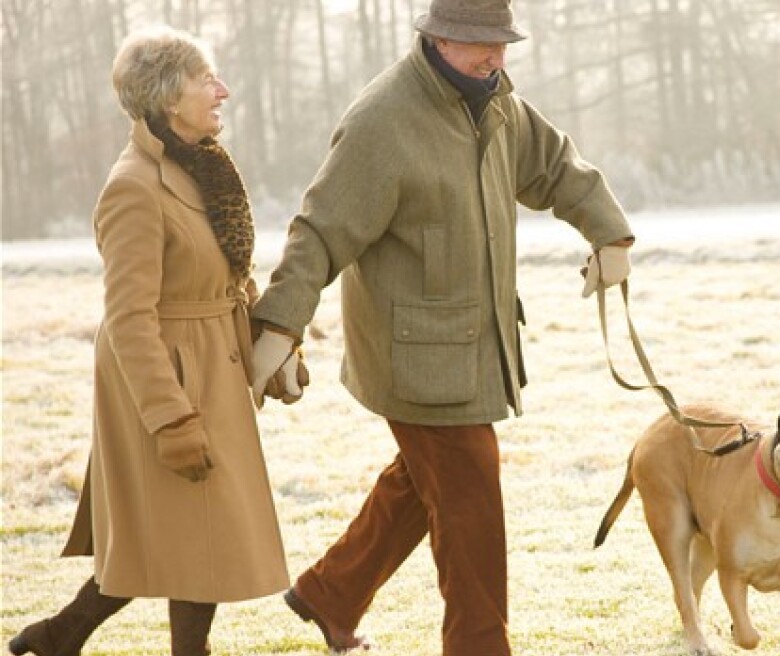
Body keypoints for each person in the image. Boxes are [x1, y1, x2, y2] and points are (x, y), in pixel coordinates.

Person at [246, 0, 635, 653]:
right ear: (439, 37)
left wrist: (610, 232)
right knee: (471, 509)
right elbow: (320, 231)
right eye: (482, 43)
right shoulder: (382, 122)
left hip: (475, 347)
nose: (496, 56)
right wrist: (280, 326)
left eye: (502, 43)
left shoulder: (495, 101)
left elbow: (556, 166)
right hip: (414, 359)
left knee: (425, 482)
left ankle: (329, 592)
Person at [8, 25, 295, 656]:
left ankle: (58, 637)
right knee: (183, 533)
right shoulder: (133, 187)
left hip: (211, 366)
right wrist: (169, 418)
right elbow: (129, 319)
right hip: (165, 380)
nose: (223, 90)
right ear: (169, 99)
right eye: (206, 81)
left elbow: (226, 275)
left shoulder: (203, 169)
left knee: (182, 533)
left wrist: (265, 354)